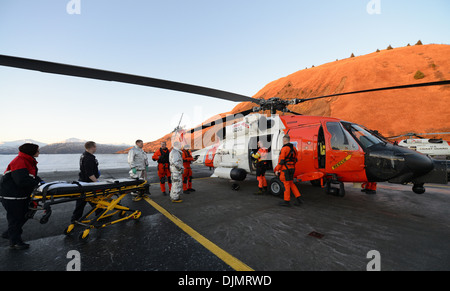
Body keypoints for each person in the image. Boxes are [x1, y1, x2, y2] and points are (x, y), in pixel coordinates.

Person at [0, 143, 42, 249]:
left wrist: (40, 181)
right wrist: (38, 184)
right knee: (15, 218)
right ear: (31, 151)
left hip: (20, 194)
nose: (39, 152)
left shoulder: (28, 160)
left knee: (26, 214)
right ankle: (15, 241)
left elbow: (31, 176)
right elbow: (21, 180)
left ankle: (10, 233)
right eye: (37, 150)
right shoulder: (20, 161)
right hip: (11, 195)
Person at [71, 141, 100, 223]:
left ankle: (75, 218)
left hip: (83, 181)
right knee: (94, 199)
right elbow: (90, 174)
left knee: (84, 201)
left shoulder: (84, 155)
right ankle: (100, 214)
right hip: (88, 182)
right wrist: (97, 182)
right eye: (95, 146)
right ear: (92, 147)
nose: (96, 148)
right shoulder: (89, 158)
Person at [274, 135, 303, 207]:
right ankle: (299, 199)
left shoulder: (284, 149)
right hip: (292, 168)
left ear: (284, 141)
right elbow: (295, 159)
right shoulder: (294, 148)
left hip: (285, 170)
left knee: (286, 185)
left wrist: (277, 170)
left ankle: (286, 201)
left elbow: (281, 161)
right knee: (291, 184)